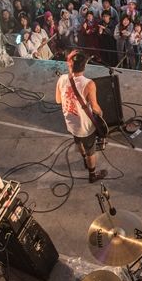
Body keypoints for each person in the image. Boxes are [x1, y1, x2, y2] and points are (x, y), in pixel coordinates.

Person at [55, 50, 108, 183]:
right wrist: (101, 114)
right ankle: (92, 175)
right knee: (91, 151)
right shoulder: (89, 84)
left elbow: (58, 100)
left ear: (70, 65)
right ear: (84, 66)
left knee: (78, 141)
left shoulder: (62, 79)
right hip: (85, 126)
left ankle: (84, 158)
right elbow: (95, 107)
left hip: (71, 122)